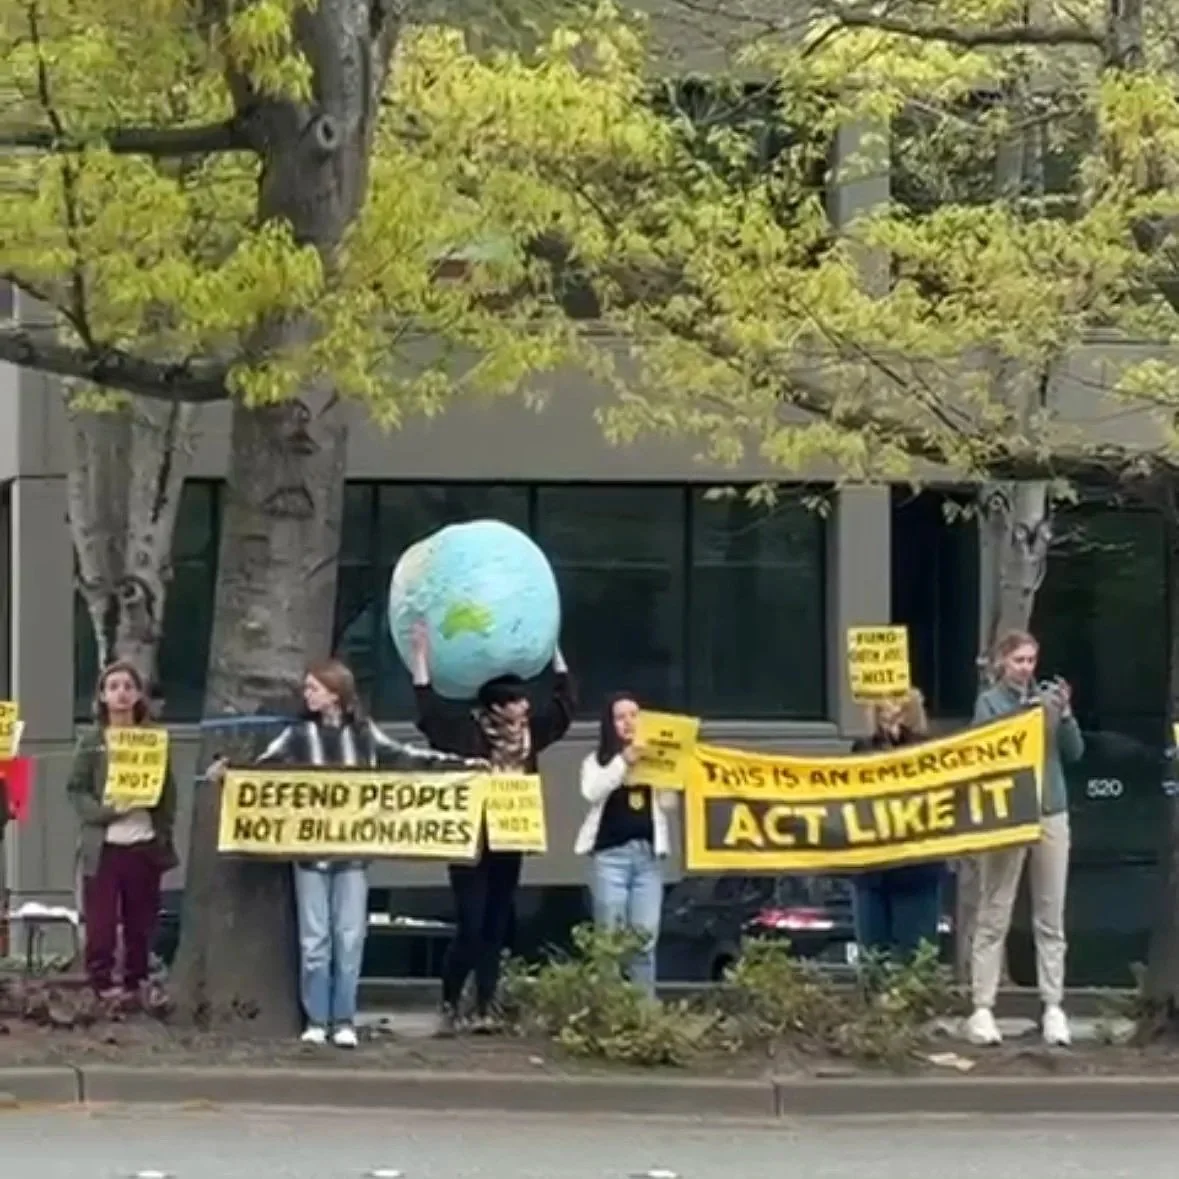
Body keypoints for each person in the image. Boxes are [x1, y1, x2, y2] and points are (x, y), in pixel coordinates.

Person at [210, 658, 482, 1048]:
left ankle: (344, 1019)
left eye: (313, 688)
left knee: (350, 939)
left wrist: (461, 766)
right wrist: (229, 774)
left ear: (335, 693)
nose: (307, 695)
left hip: (353, 856)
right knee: (315, 942)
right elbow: (261, 773)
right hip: (310, 855)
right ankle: (317, 1019)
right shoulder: (298, 736)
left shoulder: (364, 734)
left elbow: (407, 757)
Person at [410, 621, 575, 1034]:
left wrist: (555, 652)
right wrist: (421, 658)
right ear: (496, 707)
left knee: (497, 924)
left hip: (510, 837)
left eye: (523, 700)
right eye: (515, 702)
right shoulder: (468, 732)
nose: (524, 707)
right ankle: (450, 1001)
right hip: (471, 842)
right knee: (471, 923)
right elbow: (429, 713)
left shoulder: (528, 737)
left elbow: (565, 707)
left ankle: (486, 1005)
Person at [966, 629, 1084, 1048]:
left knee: (1051, 914)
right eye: (1019, 660)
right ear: (1003, 662)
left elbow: (1074, 752)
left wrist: (1064, 714)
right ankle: (982, 1006)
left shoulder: (1048, 700)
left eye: (1031, 660)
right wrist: (1020, 717)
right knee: (995, 909)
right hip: (1009, 814)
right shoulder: (989, 702)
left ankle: (1053, 1005)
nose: (1026, 668)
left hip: (1050, 810)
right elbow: (981, 751)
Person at [67, 660, 177, 1003]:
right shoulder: (92, 741)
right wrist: (107, 812)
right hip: (104, 847)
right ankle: (100, 984)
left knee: (140, 923)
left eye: (128, 687)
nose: (122, 693)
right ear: (102, 695)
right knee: (100, 923)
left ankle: (135, 983)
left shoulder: (152, 739)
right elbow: (76, 789)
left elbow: (168, 792)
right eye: (113, 687)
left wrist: (161, 830)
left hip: (143, 844)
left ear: (139, 694)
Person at [576, 692, 678, 1000]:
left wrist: (670, 776)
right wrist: (623, 761)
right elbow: (592, 791)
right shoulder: (597, 761)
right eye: (620, 717)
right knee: (610, 938)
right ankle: (611, 1008)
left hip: (648, 859)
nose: (629, 722)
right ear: (610, 724)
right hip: (611, 859)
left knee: (644, 938)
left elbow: (669, 805)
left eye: (634, 715)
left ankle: (644, 1011)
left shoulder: (654, 763)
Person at [850, 689, 943, 965]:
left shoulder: (930, 750)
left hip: (916, 870)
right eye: (883, 702)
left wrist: (900, 739)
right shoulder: (862, 749)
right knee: (872, 956)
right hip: (872, 871)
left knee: (915, 957)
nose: (889, 708)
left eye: (896, 701)